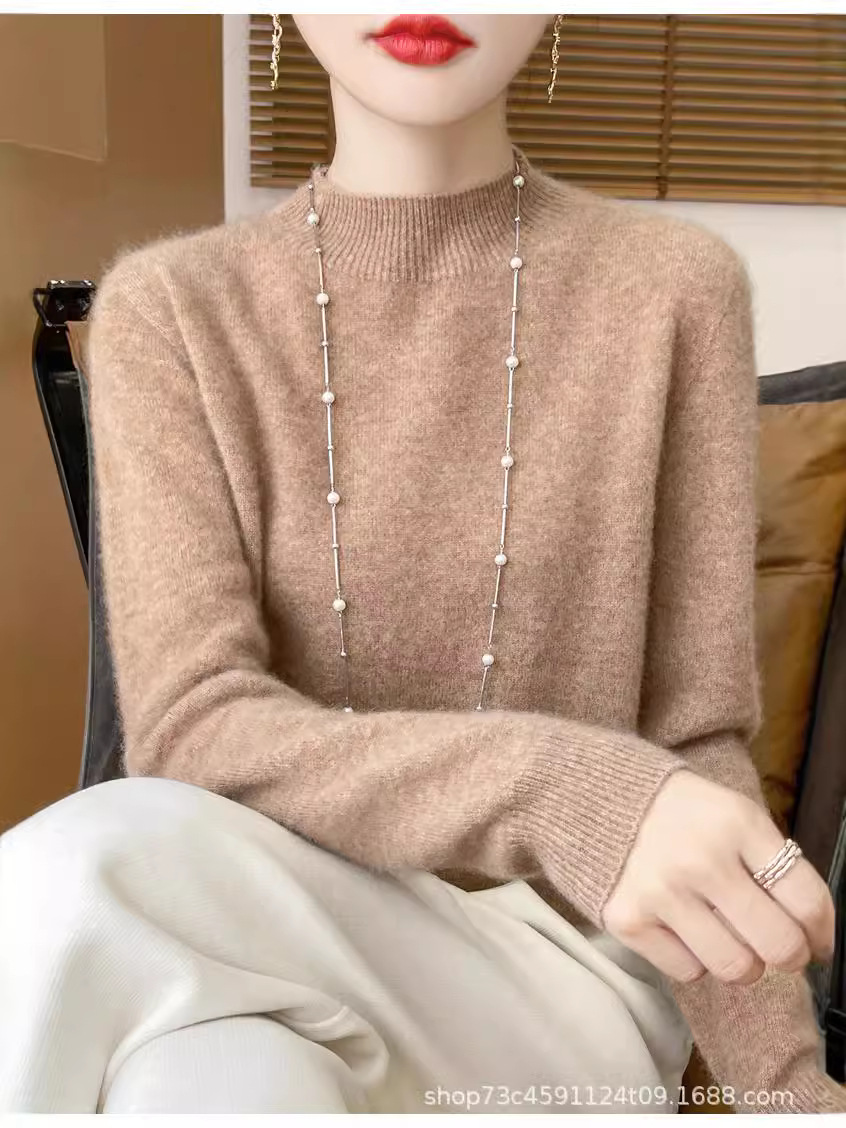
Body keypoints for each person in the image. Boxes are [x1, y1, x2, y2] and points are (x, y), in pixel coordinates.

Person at [1, 13, 844, 1114]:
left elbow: (696, 740)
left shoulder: (675, 289)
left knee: (73, 869)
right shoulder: (172, 309)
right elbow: (192, 728)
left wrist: (792, 1094)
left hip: (563, 979)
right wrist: (558, 786)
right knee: (201, 1082)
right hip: (259, 942)